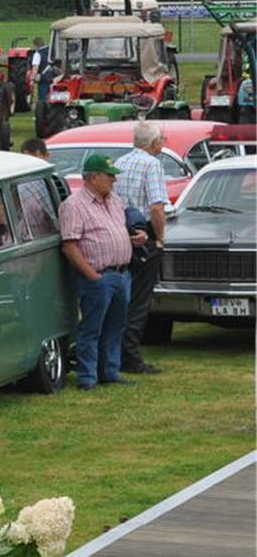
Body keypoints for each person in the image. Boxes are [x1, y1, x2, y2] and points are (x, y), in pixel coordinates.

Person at [58, 154, 141, 391]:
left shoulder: (114, 201)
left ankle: (109, 371)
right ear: (93, 177)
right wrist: (91, 274)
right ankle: (87, 377)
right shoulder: (73, 206)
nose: (114, 180)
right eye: (109, 176)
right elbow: (70, 245)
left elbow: (117, 230)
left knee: (116, 326)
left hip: (121, 274)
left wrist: (134, 239)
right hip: (98, 276)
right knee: (91, 328)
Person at [114, 121, 167, 375]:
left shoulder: (121, 162)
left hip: (121, 230)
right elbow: (157, 206)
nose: (163, 143)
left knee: (124, 294)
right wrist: (159, 238)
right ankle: (131, 356)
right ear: (153, 143)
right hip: (143, 232)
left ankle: (117, 350)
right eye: (161, 139)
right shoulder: (152, 164)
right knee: (140, 298)